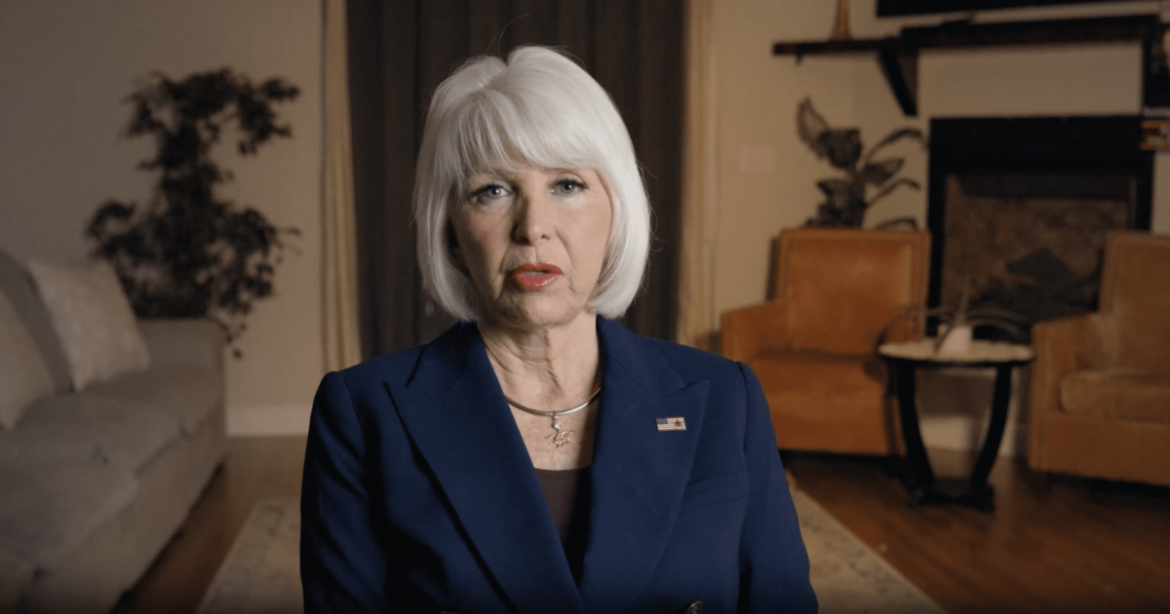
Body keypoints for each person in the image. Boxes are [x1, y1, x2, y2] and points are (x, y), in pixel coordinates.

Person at [300, 46, 817, 614]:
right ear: (451, 232)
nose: (534, 227)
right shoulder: (361, 414)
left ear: (616, 212)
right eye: (492, 191)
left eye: (567, 185)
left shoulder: (726, 398)